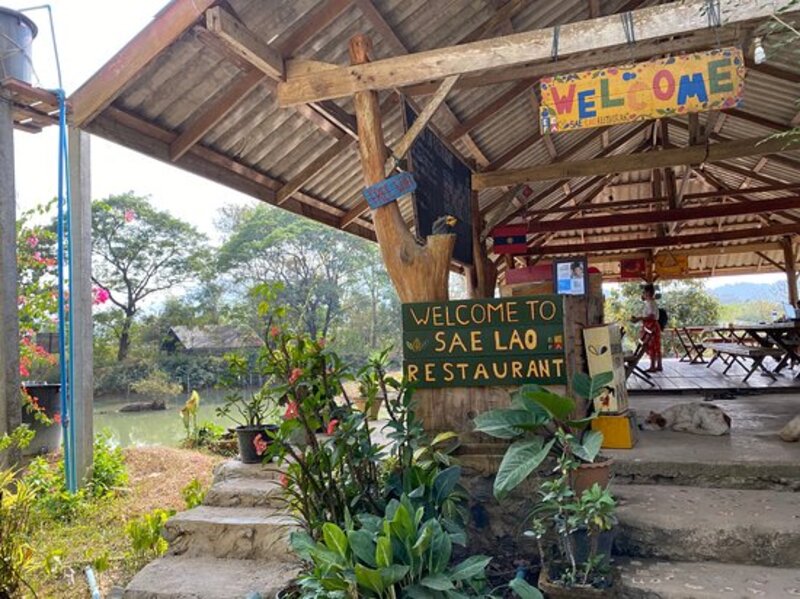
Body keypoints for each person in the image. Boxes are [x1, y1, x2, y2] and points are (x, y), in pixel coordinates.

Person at [632, 283, 662, 372]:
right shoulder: (651, 302)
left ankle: (653, 366)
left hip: (651, 326)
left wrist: (639, 318)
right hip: (652, 326)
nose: (643, 294)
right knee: (656, 346)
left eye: (644, 292)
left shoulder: (651, 303)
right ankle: (659, 365)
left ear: (648, 293)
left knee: (651, 345)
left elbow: (651, 317)